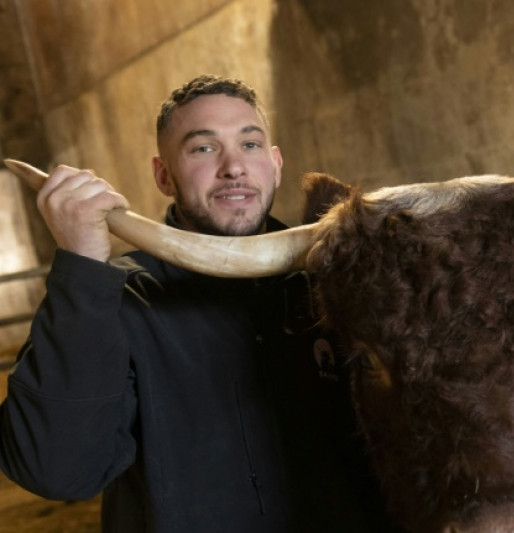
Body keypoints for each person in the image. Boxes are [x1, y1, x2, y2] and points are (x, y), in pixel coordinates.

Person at [0, 75, 392, 532]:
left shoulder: (333, 284)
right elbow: (57, 470)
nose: (234, 167)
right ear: (164, 175)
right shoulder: (118, 301)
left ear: (276, 164)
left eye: (250, 144)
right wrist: (82, 266)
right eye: (203, 149)